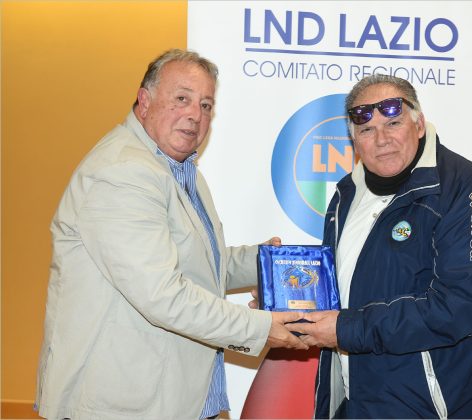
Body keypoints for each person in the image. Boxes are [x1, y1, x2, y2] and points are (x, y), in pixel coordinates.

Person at [34, 49, 307, 420]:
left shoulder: (178, 170)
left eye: (206, 105)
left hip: (173, 399)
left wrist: (266, 263)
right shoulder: (122, 173)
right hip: (119, 406)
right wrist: (259, 329)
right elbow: (162, 294)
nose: (195, 114)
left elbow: (196, 267)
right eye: (182, 99)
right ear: (144, 101)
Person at [289, 75, 472, 418]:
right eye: (367, 130)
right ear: (354, 141)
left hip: (435, 410)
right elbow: (339, 288)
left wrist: (346, 329)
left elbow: (458, 307)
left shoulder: (463, 190)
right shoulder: (347, 193)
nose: (382, 139)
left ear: (418, 125)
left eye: (393, 123)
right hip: (357, 404)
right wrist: (290, 302)